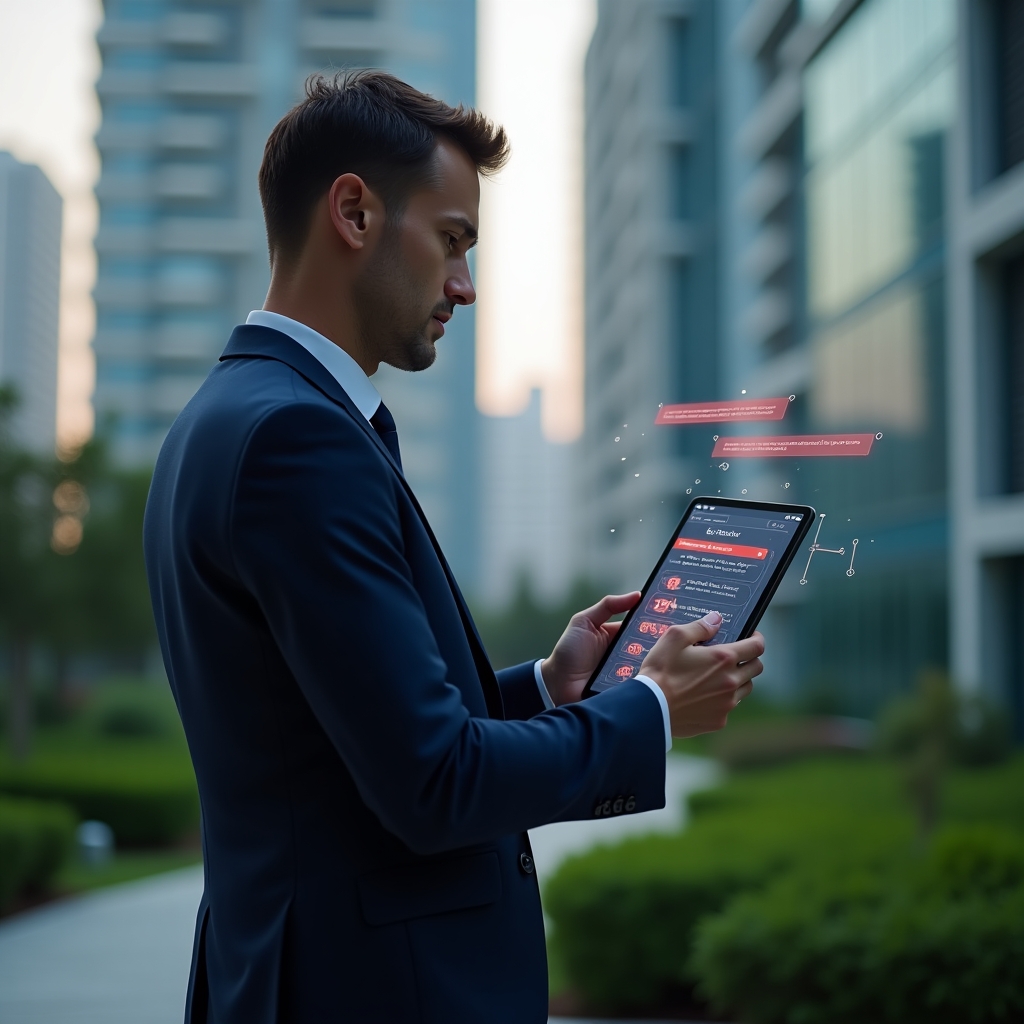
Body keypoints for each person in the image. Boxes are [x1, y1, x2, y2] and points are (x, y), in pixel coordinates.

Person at [143, 70, 764, 1024]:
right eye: (452, 240)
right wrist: (650, 707)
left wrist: (545, 689)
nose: (466, 286)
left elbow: (339, 737)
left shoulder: (226, 417)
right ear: (354, 212)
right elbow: (435, 784)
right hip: (372, 993)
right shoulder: (298, 440)